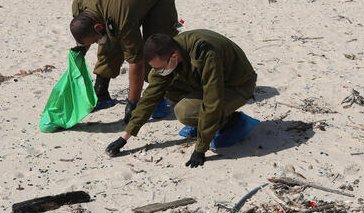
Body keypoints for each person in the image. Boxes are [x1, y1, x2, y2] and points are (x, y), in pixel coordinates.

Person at [105, 30, 259, 167]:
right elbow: (150, 98)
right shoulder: (172, 54)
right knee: (160, 83)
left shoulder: (204, 53)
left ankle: (231, 121)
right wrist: (125, 137)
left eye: (159, 67)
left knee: (185, 112)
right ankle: (205, 121)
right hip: (207, 83)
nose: (158, 71)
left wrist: (200, 149)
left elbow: (212, 100)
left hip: (237, 85)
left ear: (174, 56)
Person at [71, 0, 178, 121]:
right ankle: (101, 91)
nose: (94, 44)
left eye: (93, 41)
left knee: (156, 45)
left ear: (97, 26)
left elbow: (136, 61)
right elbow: (84, 33)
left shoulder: (121, 19)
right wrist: (79, 52)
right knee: (109, 38)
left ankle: (157, 95)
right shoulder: (78, 6)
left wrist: (133, 103)